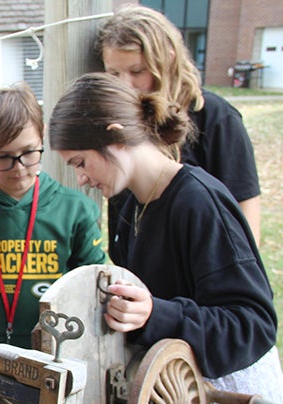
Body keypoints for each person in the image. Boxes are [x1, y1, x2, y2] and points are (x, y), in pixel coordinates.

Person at [48, 72, 283, 404]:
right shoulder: (127, 205)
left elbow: (253, 324)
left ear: (114, 138)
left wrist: (159, 313)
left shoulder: (200, 202)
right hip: (171, 401)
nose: (79, 179)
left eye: (80, 162)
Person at [0, 83, 106, 348]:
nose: (18, 168)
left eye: (28, 153)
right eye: (3, 157)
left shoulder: (76, 210)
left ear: (43, 137)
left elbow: (94, 288)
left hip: (56, 353)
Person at [97, 4, 262, 244]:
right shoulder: (114, 121)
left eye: (137, 71)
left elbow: (246, 217)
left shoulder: (216, 118)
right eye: (114, 74)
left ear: (168, 61)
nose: (125, 85)